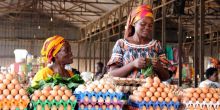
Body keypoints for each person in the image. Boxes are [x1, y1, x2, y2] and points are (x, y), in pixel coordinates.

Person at [107, 5, 170, 81]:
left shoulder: (156, 45)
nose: (147, 27)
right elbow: (112, 73)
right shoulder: (122, 44)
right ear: (134, 23)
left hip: (150, 91)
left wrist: (159, 67)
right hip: (127, 90)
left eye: (150, 25)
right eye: (143, 24)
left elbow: (166, 76)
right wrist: (133, 64)